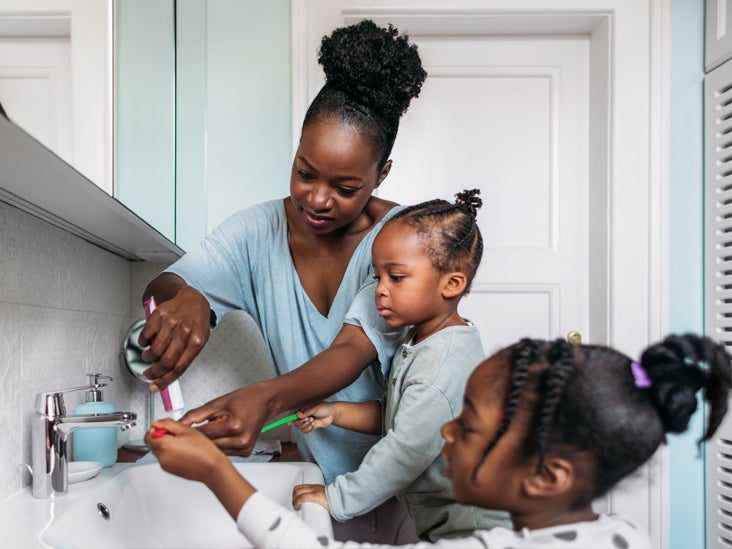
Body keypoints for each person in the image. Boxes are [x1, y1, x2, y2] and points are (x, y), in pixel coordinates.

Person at [138, 18, 426, 490]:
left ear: (382, 174)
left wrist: (265, 399)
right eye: (306, 173)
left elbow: (353, 351)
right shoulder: (258, 231)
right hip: (329, 488)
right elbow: (162, 285)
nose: (317, 199)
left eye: (346, 187)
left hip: (413, 488)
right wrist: (189, 296)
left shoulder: (404, 238)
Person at [145, 332, 731, 548]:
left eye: (468, 425)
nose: (447, 430)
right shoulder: (627, 536)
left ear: (549, 476)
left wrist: (216, 472)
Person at [290, 189, 509, 540]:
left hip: (478, 530)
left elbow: (405, 451)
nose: (380, 289)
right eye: (378, 277)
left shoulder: (441, 367)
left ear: (451, 284)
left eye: (397, 277)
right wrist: (337, 413)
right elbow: (404, 418)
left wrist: (336, 498)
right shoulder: (421, 341)